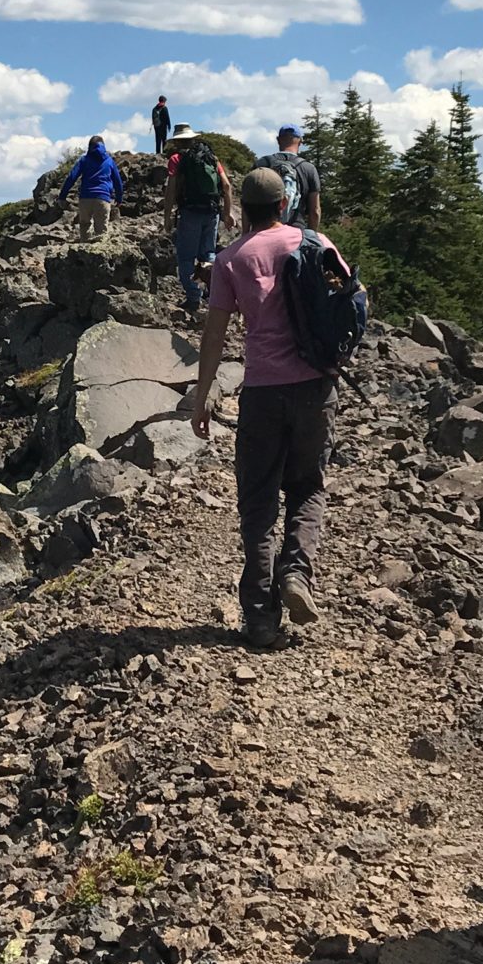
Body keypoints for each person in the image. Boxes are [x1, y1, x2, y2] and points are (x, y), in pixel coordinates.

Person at [187, 167, 337, 649]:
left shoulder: (230, 258)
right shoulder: (314, 243)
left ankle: (259, 619)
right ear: (281, 205)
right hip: (316, 386)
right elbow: (353, 299)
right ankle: (296, 573)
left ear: (243, 211)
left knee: (257, 502)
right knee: (307, 485)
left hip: (262, 392)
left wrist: (202, 395)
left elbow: (214, 334)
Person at [165, 125, 234, 314]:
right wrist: (228, 213)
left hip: (190, 212)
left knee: (186, 257)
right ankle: (213, 296)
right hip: (212, 212)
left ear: (178, 141)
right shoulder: (211, 157)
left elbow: (171, 189)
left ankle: (193, 298)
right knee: (208, 254)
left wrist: (167, 216)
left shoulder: (176, 159)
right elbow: (226, 186)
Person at [257, 124, 323, 227]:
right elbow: (315, 211)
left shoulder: (262, 164)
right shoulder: (309, 168)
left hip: (264, 230)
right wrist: (310, 237)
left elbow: (247, 202)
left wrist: (246, 234)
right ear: (300, 142)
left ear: (278, 140)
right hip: (296, 230)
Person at [60, 135, 123, 238]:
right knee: (101, 233)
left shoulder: (84, 160)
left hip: (85, 198)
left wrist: (62, 196)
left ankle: (83, 250)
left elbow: (71, 177)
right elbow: (118, 181)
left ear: (89, 147)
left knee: (85, 229)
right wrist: (119, 198)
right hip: (103, 199)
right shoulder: (109, 161)